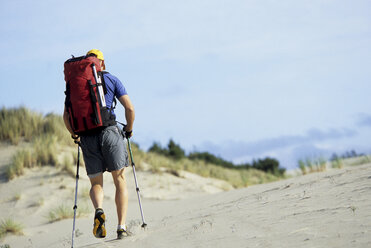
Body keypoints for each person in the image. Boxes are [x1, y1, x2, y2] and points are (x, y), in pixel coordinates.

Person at [63, 49, 135, 239]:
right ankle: (121, 227)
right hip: (110, 132)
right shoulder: (111, 79)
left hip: (87, 136)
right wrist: (129, 129)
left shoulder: (76, 83)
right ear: (101, 63)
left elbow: (66, 116)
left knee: (96, 183)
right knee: (119, 180)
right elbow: (129, 108)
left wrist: (75, 135)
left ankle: (99, 210)